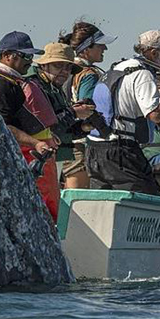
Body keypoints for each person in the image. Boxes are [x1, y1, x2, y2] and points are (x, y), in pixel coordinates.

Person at [86, 29, 160, 195]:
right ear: (155, 53)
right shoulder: (143, 74)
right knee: (150, 202)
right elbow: (154, 114)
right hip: (120, 150)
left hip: (94, 149)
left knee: (103, 204)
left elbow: (125, 105)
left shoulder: (119, 67)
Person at [0, 31, 63, 220]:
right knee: (36, 208)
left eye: (31, 56)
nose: (30, 61)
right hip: (21, 157)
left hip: (23, 156)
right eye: (25, 56)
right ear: (8, 56)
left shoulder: (5, 81)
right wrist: (36, 143)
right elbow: (1, 125)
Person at [26, 42, 96, 218]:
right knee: (43, 205)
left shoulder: (52, 87)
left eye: (68, 67)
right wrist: (74, 113)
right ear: (43, 65)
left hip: (52, 155)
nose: (64, 71)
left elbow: (62, 129)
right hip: (37, 156)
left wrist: (85, 126)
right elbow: (45, 126)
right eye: (58, 65)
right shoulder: (34, 86)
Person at [59, 21, 117, 188]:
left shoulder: (66, 70)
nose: (104, 49)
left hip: (64, 138)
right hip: (80, 143)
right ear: (86, 49)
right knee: (78, 199)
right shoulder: (88, 74)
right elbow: (88, 108)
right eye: (100, 45)